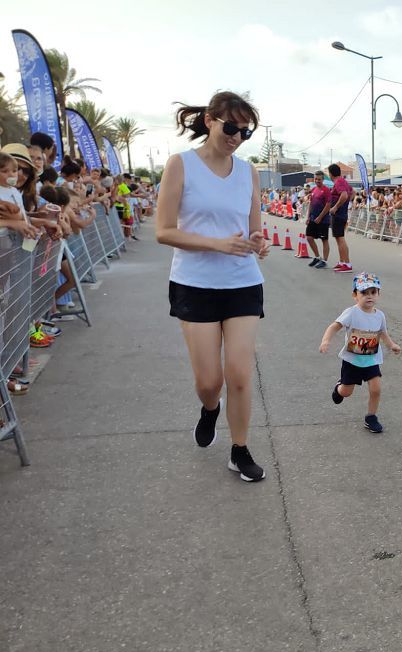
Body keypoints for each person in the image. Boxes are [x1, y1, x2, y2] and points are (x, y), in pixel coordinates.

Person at [155, 91, 269, 482]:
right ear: (209, 120)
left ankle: (239, 450)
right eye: (231, 127)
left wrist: (260, 242)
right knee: (210, 382)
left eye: (245, 132)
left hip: (242, 282)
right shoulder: (180, 165)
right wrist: (216, 243)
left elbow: (255, 228)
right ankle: (209, 409)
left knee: (239, 373)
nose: (237, 137)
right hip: (195, 284)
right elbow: (163, 231)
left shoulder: (248, 172)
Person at [318, 272, 401, 434]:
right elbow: (334, 326)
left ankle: (371, 417)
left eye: (373, 292)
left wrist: (391, 345)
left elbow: (382, 333)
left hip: (371, 360)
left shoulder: (380, 315)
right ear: (355, 295)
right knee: (346, 392)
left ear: (378, 294)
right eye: (364, 292)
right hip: (352, 361)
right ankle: (339, 387)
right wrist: (326, 340)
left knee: (376, 389)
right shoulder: (351, 313)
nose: (369, 296)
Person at [326, 164, 354, 272]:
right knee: (338, 238)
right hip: (340, 214)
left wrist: (336, 207)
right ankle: (342, 261)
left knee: (340, 238)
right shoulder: (343, 182)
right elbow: (352, 192)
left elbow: (344, 195)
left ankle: (347, 263)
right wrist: (346, 204)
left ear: (330, 174)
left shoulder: (339, 182)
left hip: (338, 214)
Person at [305, 171, 332, 269]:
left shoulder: (326, 190)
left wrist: (320, 217)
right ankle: (317, 256)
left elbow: (328, 205)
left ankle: (324, 260)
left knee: (324, 239)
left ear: (323, 179)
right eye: (315, 179)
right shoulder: (313, 189)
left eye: (319, 179)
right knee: (309, 237)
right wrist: (308, 217)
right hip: (312, 218)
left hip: (323, 220)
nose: (317, 181)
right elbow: (311, 204)